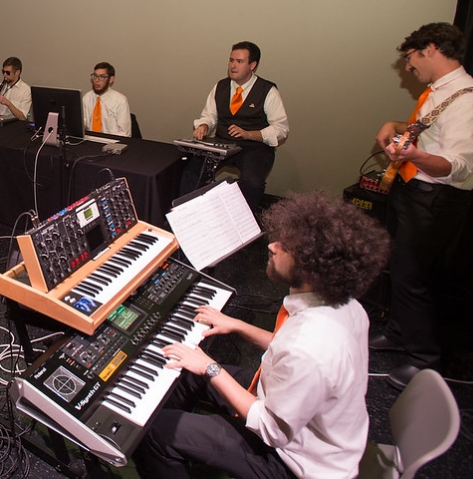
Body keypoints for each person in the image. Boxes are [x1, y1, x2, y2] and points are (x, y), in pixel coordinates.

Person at [133, 191, 391, 479]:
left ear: (310, 268)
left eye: (285, 247)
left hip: (292, 462)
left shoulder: (309, 346)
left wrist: (210, 367)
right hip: (288, 411)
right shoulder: (346, 306)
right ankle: (180, 443)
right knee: (184, 376)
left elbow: (270, 429)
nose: (272, 246)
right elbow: (285, 350)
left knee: (150, 434)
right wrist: (237, 325)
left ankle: (164, 444)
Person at [370, 22, 473, 390]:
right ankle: (398, 331)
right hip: (411, 189)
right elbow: (429, 130)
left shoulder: (467, 99)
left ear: (431, 49)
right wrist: (395, 124)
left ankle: (424, 359)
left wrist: (414, 155)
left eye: (411, 57)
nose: (408, 66)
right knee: (398, 268)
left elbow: (458, 166)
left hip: (435, 198)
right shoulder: (441, 91)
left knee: (414, 277)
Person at [182, 41, 288, 211]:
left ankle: (242, 220)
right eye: (231, 60)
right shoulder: (221, 86)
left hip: (254, 148)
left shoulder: (268, 91)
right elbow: (209, 115)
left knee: (252, 182)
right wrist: (203, 126)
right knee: (191, 172)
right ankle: (189, 215)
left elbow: (281, 129)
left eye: (239, 61)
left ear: (252, 65)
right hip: (222, 143)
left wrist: (249, 134)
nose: (233, 65)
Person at [82, 62, 131, 137]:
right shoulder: (87, 97)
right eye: (95, 76)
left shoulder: (120, 101)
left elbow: (125, 133)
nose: (96, 80)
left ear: (111, 79)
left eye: (102, 77)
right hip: (90, 139)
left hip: (110, 142)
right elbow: (83, 123)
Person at [0, 56, 32, 122]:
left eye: (8, 72)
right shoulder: (1, 85)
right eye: (3, 71)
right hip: (1, 121)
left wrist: (8, 103)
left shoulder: (26, 90)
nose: (4, 75)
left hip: (15, 124)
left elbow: (22, 117)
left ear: (17, 72)